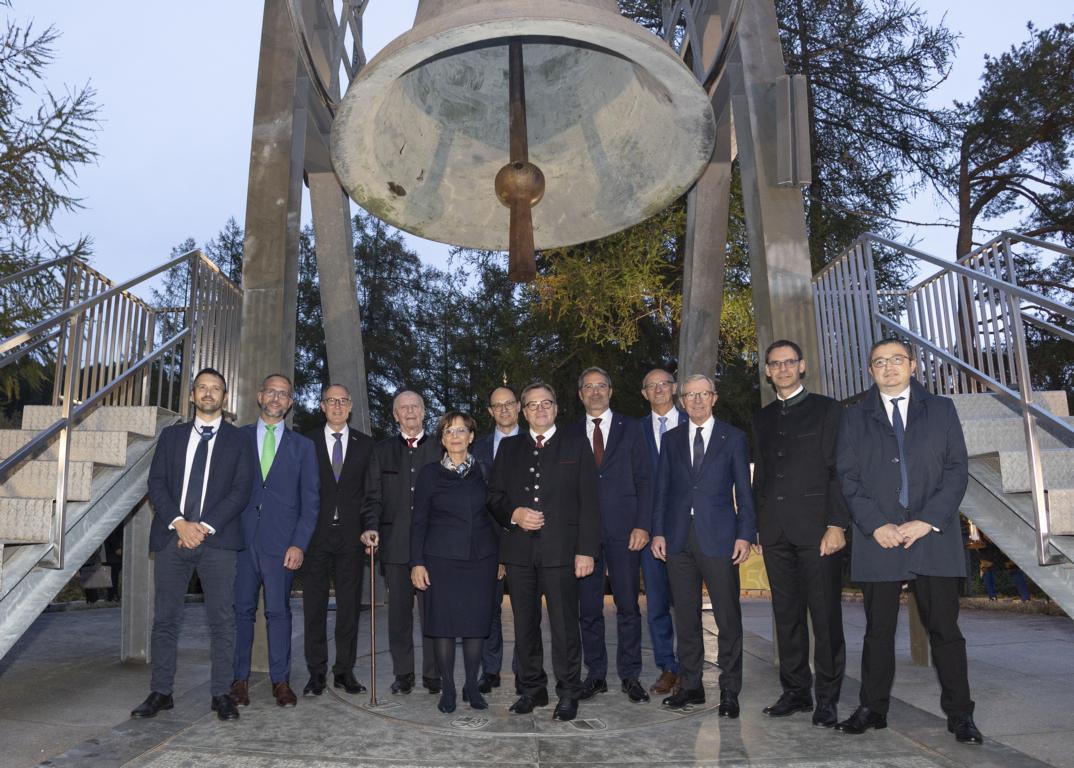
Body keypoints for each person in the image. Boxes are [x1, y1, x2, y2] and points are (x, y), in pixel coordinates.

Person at [835, 338, 983, 744]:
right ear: (870, 371)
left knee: (945, 630)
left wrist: (928, 521)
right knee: (877, 631)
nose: (888, 368)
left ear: (913, 366)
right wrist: (875, 524)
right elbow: (848, 477)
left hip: (931, 538)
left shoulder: (941, 410)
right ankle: (872, 708)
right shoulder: (853, 418)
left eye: (896, 360)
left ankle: (961, 715)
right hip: (878, 538)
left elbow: (957, 470)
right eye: (878, 362)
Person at [132, 367, 253, 722]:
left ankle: (221, 694)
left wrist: (204, 527)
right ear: (192, 395)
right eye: (203, 387)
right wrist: (180, 523)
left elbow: (240, 490)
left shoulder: (239, 440)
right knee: (166, 619)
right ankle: (161, 692)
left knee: (222, 620)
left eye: (216, 388)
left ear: (225, 397)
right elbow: (156, 483)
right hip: (173, 537)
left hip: (219, 541)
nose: (209, 393)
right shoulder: (171, 437)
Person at [488, 381, 600, 722]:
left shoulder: (576, 444)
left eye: (546, 403)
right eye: (533, 405)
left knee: (565, 626)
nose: (540, 410)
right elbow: (493, 497)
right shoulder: (508, 449)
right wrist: (515, 514)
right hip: (520, 552)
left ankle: (568, 691)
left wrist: (586, 551)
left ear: (556, 408)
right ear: (523, 411)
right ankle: (532, 689)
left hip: (562, 552)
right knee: (524, 625)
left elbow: (589, 503)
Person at [752, 340, 848, 727]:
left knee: (825, 618)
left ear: (802, 366)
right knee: (786, 616)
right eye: (775, 364)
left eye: (789, 362)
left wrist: (837, 524)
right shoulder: (762, 418)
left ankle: (827, 698)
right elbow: (760, 477)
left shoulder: (828, 409)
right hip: (775, 532)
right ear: (768, 371)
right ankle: (795, 692)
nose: (783, 369)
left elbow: (838, 471)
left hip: (818, 531)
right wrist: (758, 525)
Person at [651, 373, 755, 717]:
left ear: (714, 398)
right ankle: (691, 686)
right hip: (679, 538)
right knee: (686, 618)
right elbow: (662, 490)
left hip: (721, 538)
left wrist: (745, 534)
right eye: (690, 395)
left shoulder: (734, 438)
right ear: (682, 401)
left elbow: (745, 491)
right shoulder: (672, 439)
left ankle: (729, 691)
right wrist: (659, 532)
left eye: (703, 394)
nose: (696, 400)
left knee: (727, 617)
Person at [230, 374, 319, 709]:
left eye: (284, 394)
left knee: (279, 612)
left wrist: (299, 544)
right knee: (240, 612)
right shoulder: (236, 439)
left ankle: (281, 681)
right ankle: (238, 680)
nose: (276, 398)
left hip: (282, 545)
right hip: (241, 541)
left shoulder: (303, 447)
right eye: (271, 391)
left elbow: (311, 502)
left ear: (291, 402)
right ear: (259, 396)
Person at [569, 366, 652, 703]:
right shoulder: (570, 432)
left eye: (601, 385)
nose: (595, 391)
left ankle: (630, 674)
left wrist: (643, 525)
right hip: (584, 536)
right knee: (588, 608)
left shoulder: (632, 428)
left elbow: (646, 479)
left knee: (628, 605)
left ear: (611, 391)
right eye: (588, 386)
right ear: (580, 394)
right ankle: (596, 674)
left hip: (625, 531)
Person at [410, 411, 500, 713]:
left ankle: (471, 686)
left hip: (481, 560)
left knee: (476, 626)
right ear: (443, 439)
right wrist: (417, 562)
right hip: (441, 561)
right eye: (449, 431)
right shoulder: (429, 474)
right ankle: (447, 688)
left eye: (461, 430)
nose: (456, 436)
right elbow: (418, 521)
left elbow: (496, 517)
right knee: (444, 627)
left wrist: (501, 558)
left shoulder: (486, 471)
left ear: (471, 436)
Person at [300, 384, 380, 697]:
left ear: (350, 407)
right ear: (322, 406)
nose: (336, 406)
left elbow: (372, 493)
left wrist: (370, 526)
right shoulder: (306, 442)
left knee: (349, 609)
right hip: (315, 537)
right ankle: (316, 673)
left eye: (342, 401)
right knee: (314, 609)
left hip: (351, 538)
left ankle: (344, 671)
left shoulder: (365, 444)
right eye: (331, 401)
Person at [367, 390, 442, 694]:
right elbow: (372, 497)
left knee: (433, 615)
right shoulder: (381, 451)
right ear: (395, 415)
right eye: (403, 408)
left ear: (424, 413)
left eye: (415, 407)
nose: (410, 412)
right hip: (395, 547)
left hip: (433, 547)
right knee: (398, 616)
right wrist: (370, 527)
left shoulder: (441, 448)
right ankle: (403, 674)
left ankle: (434, 674)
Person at [638, 367, 687, 695]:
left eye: (664, 384)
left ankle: (690, 666)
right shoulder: (633, 430)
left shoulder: (694, 422)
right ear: (644, 393)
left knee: (685, 604)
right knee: (656, 604)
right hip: (648, 530)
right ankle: (668, 667)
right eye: (651, 386)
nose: (658, 389)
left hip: (687, 528)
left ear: (674, 388)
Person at [472, 386, 521, 694]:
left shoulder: (537, 443)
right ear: (490, 411)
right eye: (497, 406)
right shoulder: (477, 449)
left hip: (524, 540)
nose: (503, 410)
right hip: (486, 543)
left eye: (509, 404)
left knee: (525, 612)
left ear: (518, 407)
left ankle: (524, 670)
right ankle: (490, 671)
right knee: (487, 611)